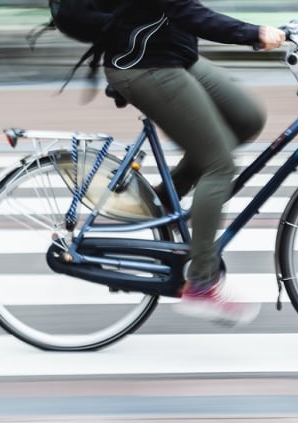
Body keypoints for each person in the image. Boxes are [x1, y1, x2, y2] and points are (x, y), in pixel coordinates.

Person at [97, 0, 285, 325]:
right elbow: (186, 11)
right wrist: (253, 32)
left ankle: (165, 200)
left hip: (173, 54)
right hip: (143, 64)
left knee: (247, 118)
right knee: (220, 165)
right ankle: (201, 283)